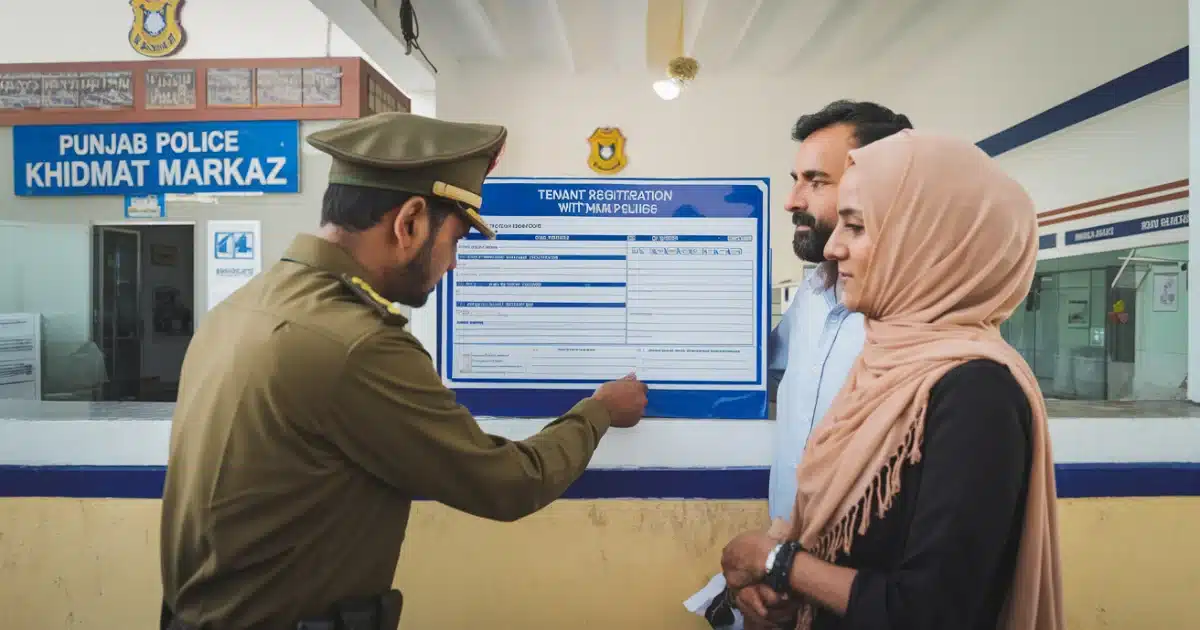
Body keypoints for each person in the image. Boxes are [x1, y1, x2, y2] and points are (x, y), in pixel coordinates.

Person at [158, 112, 650, 630]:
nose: (454, 264)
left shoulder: (243, 308)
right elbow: (508, 484)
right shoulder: (356, 344)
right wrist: (598, 412)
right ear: (410, 221)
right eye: (456, 240)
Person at [719, 131, 1065, 630]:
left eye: (855, 227)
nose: (834, 247)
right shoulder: (887, 363)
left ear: (928, 244)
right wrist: (784, 591)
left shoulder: (977, 394)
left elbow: (934, 611)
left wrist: (778, 563)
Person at [687, 100, 913, 630]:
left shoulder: (916, 326)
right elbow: (758, 367)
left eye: (816, 181)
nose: (792, 200)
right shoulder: (813, 296)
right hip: (785, 578)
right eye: (795, 179)